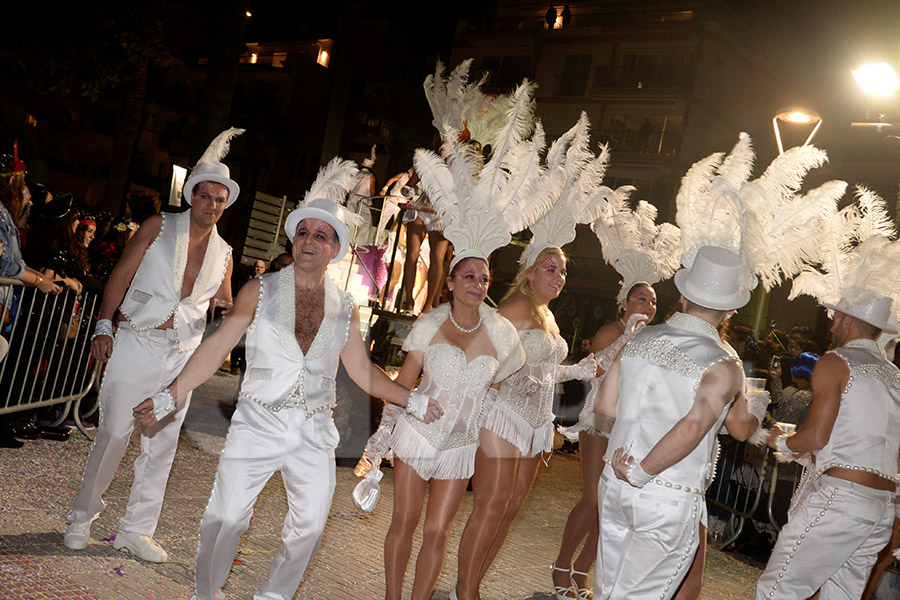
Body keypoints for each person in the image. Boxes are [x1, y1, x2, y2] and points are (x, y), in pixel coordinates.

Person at [133, 161, 443, 600]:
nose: (310, 241)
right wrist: (171, 395)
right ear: (292, 239)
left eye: (321, 235)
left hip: (315, 430)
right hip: (257, 422)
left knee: (310, 526)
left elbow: (361, 370)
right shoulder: (260, 290)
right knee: (225, 519)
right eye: (303, 233)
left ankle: (273, 597)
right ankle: (206, 593)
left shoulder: (344, 307)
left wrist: (410, 400)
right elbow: (218, 346)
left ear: (335, 248)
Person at [63, 128, 243, 561]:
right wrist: (103, 325)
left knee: (161, 447)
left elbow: (227, 304)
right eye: (205, 196)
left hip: (181, 358)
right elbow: (121, 274)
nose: (212, 205)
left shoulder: (225, 252)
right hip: (138, 341)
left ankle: (136, 531)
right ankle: (81, 519)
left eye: (220, 200)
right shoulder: (159, 225)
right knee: (113, 435)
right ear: (192, 195)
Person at [595, 246, 766, 600]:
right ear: (732, 307)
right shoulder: (724, 363)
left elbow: (605, 405)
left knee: (609, 590)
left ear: (684, 296)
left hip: (614, 480)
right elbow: (702, 427)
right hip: (664, 492)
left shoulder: (641, 337)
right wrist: (759, 406)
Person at [454, 246, 596, 600]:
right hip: (503, 415)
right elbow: (484, 354)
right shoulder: (517, 305)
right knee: (492, 504)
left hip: (535, 425)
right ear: (530, 272)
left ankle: (470, 587)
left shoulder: (549, 316)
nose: (558, 277)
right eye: (550, 269)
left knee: (511, 507)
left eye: (563, 271)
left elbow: (543, 370)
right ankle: (466, 592)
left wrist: (577, 370)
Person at [758, 296, 900, 598]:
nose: (831, 323)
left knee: (777, 588)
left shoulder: (837, 361)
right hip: (882, 507)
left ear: (848, 320)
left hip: (842, 500)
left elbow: (816, 436)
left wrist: (779, 441)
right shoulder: (896, 376)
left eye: (835, 318)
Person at [768, 351, 818, 428]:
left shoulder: (802, 396)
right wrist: (776, 380)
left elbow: (785, 427)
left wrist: (768, 419)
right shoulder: (814, 393)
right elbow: (781, 404)